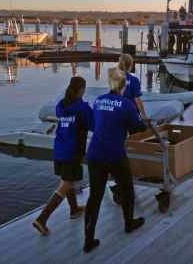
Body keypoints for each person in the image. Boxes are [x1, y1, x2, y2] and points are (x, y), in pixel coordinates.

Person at [83, 67, 150, 253]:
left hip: (94, 154)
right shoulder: (127, 104)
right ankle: (129, 223)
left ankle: (88, 240)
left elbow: (100, 123)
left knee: (94, 197)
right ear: (123, 84)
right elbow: (139, 127)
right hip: (114, 154)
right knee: (127, 187)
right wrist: (145, 124)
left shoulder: (98, 101)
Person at [32, 76, 95, 235]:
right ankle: (42, 219)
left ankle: (74, 209)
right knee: (65, 184)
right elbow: (94, 125)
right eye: (84, 88)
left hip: (59, 148)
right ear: (81, 90)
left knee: (68, 179)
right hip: (72, 151)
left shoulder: (61, 105)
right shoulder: (82, 108)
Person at [117, 54, 148, 119]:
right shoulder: (134, 80)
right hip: (131, 112)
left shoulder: (115, 78)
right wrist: (144, 116)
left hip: (118, 110)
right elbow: (138, 100)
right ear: (131, 65)